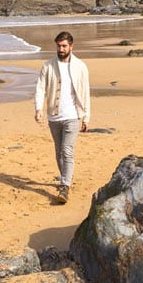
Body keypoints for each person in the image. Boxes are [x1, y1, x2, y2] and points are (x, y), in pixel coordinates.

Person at [34, 31, 90, 204]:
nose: (61, 48)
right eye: (59, 45)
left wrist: (86, 116)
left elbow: (86, 92)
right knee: (58, 152)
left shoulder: (80, 66)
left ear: (71, 46)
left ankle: (65, 186)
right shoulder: (48, 66)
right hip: (54, 116)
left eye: (64, 45)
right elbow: (40, 88)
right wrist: (39, 108)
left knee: (67, 150)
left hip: (72, 116)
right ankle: (65, 178)